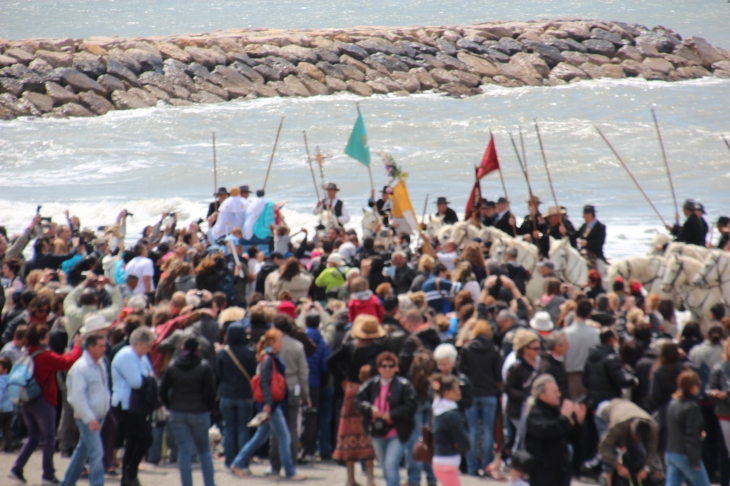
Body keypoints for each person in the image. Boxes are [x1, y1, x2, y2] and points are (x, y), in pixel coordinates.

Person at [9, 325, 83, 485]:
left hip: (27, 398)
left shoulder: (30, 351)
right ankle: (48, 475)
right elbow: (67, 362)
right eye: (46, 335)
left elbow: (58, 359)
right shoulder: (45, 355)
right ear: (42, 338)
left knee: (34, 436)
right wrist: (77, 347)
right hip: (43, 400)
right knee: (49, 437)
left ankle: (17, 468)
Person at [230, 329, 306, 480]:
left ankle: (238, 462)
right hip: (271, 405)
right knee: (284, 437)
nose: (282, 343)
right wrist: (268, 403)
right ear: (271, 342)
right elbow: (265, 381)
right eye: (279, 340)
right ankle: (290, 472)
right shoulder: (268, 359)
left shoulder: (269, 357)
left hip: (271, 404)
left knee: (260, 437)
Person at [326, 315, 384, 486]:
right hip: (369, 393)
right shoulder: (376, 351)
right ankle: (371, 480)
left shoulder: (348, 347)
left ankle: (350, 479)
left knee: (348, 433)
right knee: (367, 434)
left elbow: (329, 361)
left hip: (350, 391)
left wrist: (342, 376)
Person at [159, 337, 217, 486]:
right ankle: (209, 483)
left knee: (183, 451)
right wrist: (210, 408)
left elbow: (163, 390)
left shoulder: (173, 366)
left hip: (178, 411)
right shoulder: (204, 366)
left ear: (182, 347)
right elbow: (210, 392)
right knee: (204, 451)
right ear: (198, 349)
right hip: (200, 412)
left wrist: (169, 405)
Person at [355, 351, 417, 486]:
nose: (387, 369)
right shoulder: (372, 383)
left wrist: (392, 414)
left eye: (391, 366)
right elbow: (359, 400)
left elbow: (411, 405)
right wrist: (370, 409)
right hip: (377, 431)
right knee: (384, 466)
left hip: (397, 431)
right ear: (378, 368)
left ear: (396, 367)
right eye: (384, 366)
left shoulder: (404, 385)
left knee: (391, 464)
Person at [59, 334, 110, 486]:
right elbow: (77, 397)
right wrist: (89, 418)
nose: (104, 349)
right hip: (87, 418)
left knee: (82, 452)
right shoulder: (80, 368)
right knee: (97, 452)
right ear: (90, 347)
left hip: (99, 416)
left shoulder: (101, 364)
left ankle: (67, 483)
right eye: (101, 346)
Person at [110, 326, 157, 486]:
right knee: (145, 437)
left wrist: (148, 379)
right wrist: (148, 380)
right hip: (125, 404)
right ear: (140, 343)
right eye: (149, 345)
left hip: (136, 404)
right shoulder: (127, 355)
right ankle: (130, 471)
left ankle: (128, 477)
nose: (150, 349)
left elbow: (150, 375)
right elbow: (136, 382)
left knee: (133, 439)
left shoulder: (141, 356)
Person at [456, 320, 501, 476]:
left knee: (472, 430)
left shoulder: (467, 349)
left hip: (472, 393)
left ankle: (471, 467)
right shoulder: (494, 350)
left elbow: (460, 371)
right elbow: (498, 375)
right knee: (488, 430)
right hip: (489, 393)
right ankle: (487, 465)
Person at [524, 374, 586, 486]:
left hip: (561, 476)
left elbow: (574, 440)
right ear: (542, 395)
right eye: (554, 392)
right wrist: (564, 419)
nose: (559, 394)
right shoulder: (535, 414)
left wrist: (578, 423)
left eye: (558, 391)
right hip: (543, 476)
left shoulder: (556, 413)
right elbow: (547, 431)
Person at [270, 315, 310, 475]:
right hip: (294, 388)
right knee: (293, 427)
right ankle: (291, 464)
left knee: (276, 430)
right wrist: (306, 395)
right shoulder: (297, 346)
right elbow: (303, 372)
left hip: (276, 389)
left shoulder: (272, 345)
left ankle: (275, 466)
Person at [216, 324, 257, 469]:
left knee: (228, 429)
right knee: (243, 429)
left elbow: (219, 374)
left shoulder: (222, 353)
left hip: (226, 394)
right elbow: (253, 374)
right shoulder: (250, 353)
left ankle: (229, 462)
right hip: (245, 394)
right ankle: (242, 462)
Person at [597, 399, 662, 485]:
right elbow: (603, 447)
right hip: (605, 414)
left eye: (640, 438)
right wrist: (618, 466)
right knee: (611, 453)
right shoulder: (618, 425)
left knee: (637, 454)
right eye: (636, 436)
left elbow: (652, 452)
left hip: (626, 411)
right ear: (631, 427)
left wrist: (646, 469)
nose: (637, 439)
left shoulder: (653, 428)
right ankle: (608, 481)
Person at [665, 370, 711, 486]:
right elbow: (691, 435)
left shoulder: (672, 403)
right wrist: (694, 460)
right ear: (694, 387)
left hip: (671, 452)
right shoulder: (692, 407)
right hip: (685, 454)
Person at [582, 328, 637, 412]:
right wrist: (633, 381)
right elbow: (621, 380)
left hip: (594, 401)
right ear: (611, 339)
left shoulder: (590, 356)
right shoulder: (612, 358)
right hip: (610, 401)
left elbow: (584, 379)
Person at [431, 374, 472, 486]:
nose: (459, 392)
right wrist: (466, 445)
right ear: (447, 392)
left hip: (441, 459)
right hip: (447, 461)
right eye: (456, 389)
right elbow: (460, 437)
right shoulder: (450, 414)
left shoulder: (438, 409)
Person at [505, 329, 541, 450]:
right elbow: (508, 388)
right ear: (525, 349)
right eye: (535, 349)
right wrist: (525, 396)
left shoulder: (540, 363)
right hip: (519, 409)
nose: (538, 351)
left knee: (524, 438)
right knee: (524, 437)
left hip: (536, 407)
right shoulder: (516, 367)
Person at [302, 313, 330, 462]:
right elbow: (325, 366)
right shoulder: (324, 343)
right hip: (314, 383)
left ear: (305, 322)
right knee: (312, 417)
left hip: (298, 382)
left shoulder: (299, 338)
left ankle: (294, 447)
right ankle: (309, 449)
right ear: (319, 324)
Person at [563, 299, 599, 400]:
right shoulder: (595, 333)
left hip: (570, 376)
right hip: (589, 378)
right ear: (589, 314)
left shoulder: (565, 333)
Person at [537, 330, 569, 401]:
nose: (568, 347)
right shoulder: (547, 366)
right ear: (557, 346)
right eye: (566, 344)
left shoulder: (559, 361)